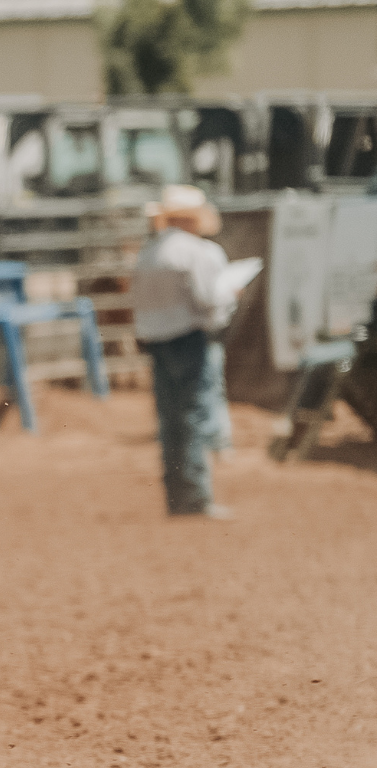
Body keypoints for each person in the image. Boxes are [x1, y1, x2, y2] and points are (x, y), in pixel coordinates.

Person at [132, 184, 238, 519]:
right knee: (192, 413)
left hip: (156, 340)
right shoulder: (194, 252)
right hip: (189, 338)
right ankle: (196, 496)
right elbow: (209, 299)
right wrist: (230, 297)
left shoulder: (149, 252)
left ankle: (175, 495)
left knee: (169, 418)